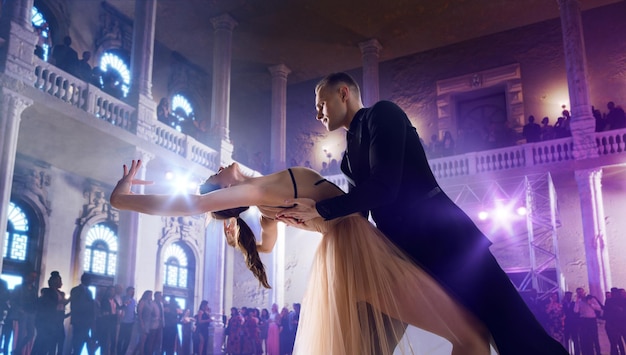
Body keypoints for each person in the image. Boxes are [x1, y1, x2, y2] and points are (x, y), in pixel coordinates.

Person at [275, 72, 569, 355]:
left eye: (320, 105)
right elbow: (359, 214)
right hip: (403, 254)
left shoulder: (383, 113)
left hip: (446, 242)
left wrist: (322, 208)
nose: (317, 114)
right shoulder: (348, 157)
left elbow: (385, 187)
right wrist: (309, 220)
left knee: (512, 329)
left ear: (343, 93)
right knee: (384, 338)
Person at [111, 160, 491, 354]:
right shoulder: (260, 191)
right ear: (228, 188)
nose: (220, 166)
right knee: (471, 336)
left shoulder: (266, 204)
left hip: (351, 255)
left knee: (458, 338)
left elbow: (267, 248)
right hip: (357, 250)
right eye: (217, 174)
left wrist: (239, 245)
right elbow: (192, 203)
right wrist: (123, 199)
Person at [70, 273, 96, 355]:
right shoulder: (75, 290)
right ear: (85, 280)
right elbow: (75, 305)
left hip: (87, 322)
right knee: (77, 345)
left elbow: (91, 307)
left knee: (88, 344)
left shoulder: (89, 292)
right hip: (78, 322)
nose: (91, 282)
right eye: (90, 280)